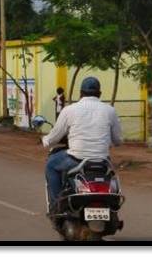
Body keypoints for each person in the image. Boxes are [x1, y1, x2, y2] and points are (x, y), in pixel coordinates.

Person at [41, 76, 123, 214]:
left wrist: (45, 141)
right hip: (102, 161)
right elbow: (118, 140)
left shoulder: (69, 110)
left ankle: (57, 205)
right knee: (111, 175)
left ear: (80, 93)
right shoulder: (110, 110)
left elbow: (55, 137)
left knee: (51, 165)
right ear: (99, 93)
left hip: (76, 159)